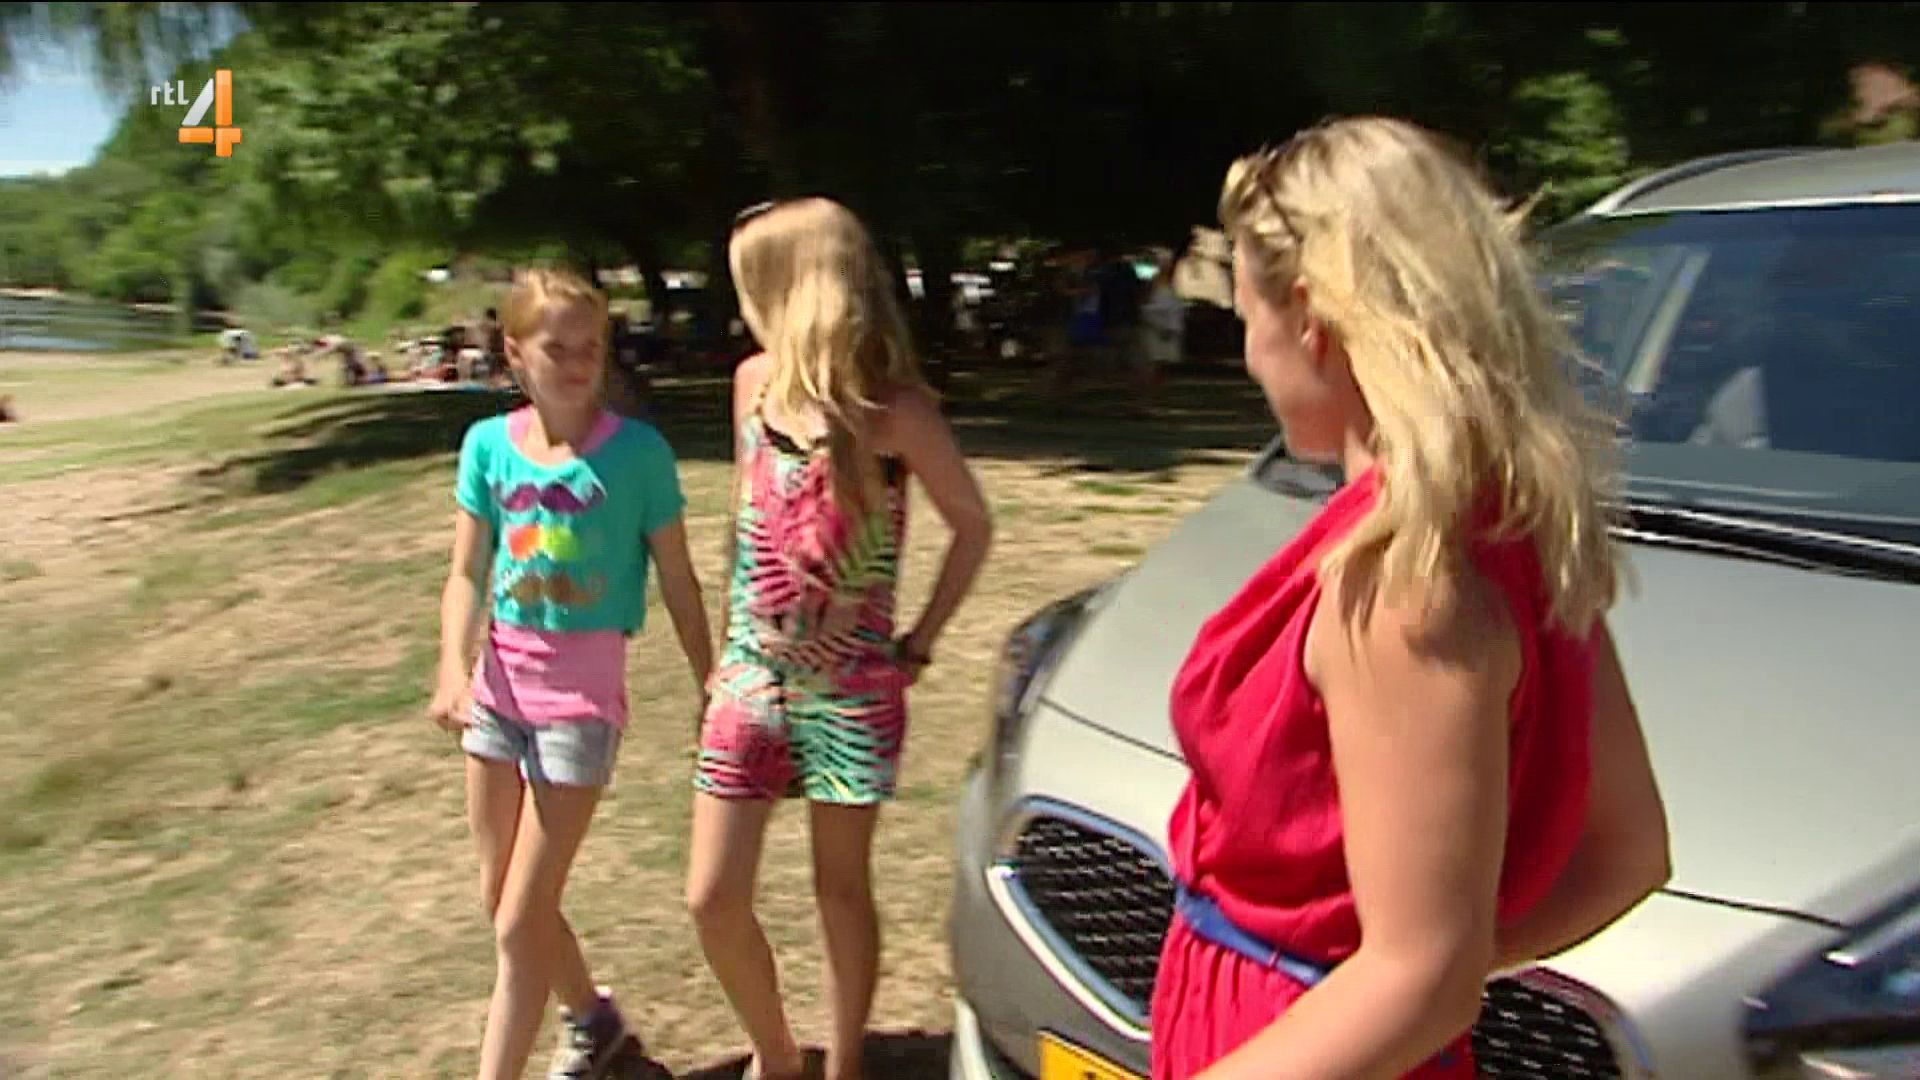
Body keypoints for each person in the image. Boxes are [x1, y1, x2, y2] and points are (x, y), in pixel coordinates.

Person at [1150, 117, 1672, 1079]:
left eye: (1247, 317)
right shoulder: (1512, 525)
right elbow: (1630, 855)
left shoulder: (1400, 577)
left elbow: (1424, 977)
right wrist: (1439, 953)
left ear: (1311, 319)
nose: (1250, 355)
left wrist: (1397, 977)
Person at [688, 198, 993, 1080]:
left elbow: (972, 526)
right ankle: (778, 1055)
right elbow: (746, 520)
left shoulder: (897, 413)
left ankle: (846, 1063)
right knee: (710, 896)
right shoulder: (753, 385)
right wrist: (724, 654)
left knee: (841, 888)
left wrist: (919, 642)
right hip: (752, 676)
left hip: (853, 689)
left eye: (754, 284)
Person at [429, 267, 714, 1080]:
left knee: (520, 923)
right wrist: (451, 668)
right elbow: (466, 573)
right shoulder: (488, 447)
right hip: (497, 698)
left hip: (579, 712)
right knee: (502, 900)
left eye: (593, 347)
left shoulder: (638, 456)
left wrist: (711, 682)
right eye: (559, 348)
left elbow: (679, 580)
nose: (580, 363)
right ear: (515, 353)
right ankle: (594, 1023)